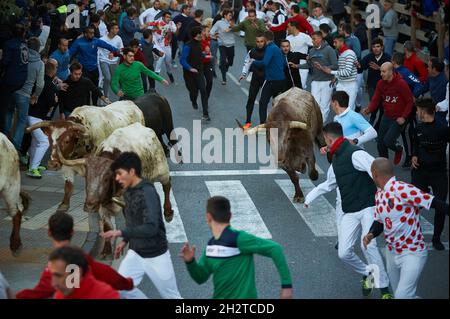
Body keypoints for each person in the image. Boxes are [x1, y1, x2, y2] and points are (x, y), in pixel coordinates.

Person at [305, 122, 392, 299]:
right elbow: (329, 184)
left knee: (369, 245)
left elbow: (375, 170)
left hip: (368, 206)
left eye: (325, 140)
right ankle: (368, 272)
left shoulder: (356, 153)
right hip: (350, 210)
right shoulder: (336, 160)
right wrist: (310, 197)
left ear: (329, 138)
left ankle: (384, 290)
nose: (325, 144)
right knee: (344, 252)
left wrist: (386, 195)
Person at [101, 152, 182, 299]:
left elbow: (152, 227)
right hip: (136, 253)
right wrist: (125, 241)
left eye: (120, 173)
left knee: (172, 296)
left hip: (156, 254)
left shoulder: (148, 192)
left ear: (132, 172)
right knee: (120, 287)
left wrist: (121, 234)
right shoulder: (128, 192)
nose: (117, 178)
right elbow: (134, 222)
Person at [364, 158, 449, 298]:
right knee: (404, 296)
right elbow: (380, 221)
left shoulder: (403, 189)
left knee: (402, 296)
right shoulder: (379, 194)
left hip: (412, 253)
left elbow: (435, 203)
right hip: (392, 253)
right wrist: (371, 234)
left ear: (374, 173)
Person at [179, 196, 293, 299]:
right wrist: (191, 262)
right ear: (230, 216)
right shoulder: (211, 246)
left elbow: (275, 249)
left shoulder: (236, 240)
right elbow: (201, 278)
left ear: (208, 217)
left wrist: (287, 286)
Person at [307, 91, 377, 251]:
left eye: (331, 102)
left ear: (335, 103)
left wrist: (356, 141)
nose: (330, 105)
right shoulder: (337, 119)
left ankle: (362, 236)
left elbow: (373, 132)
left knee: (351, 199)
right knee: (340, 197)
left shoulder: (353, 116)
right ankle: (344, 238)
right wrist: (327, 147)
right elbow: (338, 140)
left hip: (356, 161)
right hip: (341, 159)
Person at [16, 212, 133, 298]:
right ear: (72, 232)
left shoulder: (59, 262)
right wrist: (127, 283)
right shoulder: (80, 256)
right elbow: (105, 272)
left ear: (49, 233)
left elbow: (43, 290)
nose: (54, 281)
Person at [411, 98, 449, 251]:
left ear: (423, 111)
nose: (416, 113)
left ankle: (436, 238)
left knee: (440, 206)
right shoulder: (417, 128)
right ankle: (412, 236)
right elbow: (415, 143)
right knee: (413, 205)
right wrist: (413, 155)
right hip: (420, 171)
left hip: (438, 172)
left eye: (417, 110)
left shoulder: (443, 128)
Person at [363, 62, 414, 165]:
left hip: (399, 117)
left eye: (384, 71)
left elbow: (410, 102)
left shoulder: (401, 84)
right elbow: (376, 99)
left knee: (388, 141)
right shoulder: (381, 83)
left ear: (391, 71)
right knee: (380, 143)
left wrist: (404, 117)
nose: (381, 74)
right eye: (381, 71)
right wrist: (369, 109)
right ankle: (384, 165)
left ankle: (398, 149)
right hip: (387, 115)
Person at [4, 37, 44, 153]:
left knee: (9, 112)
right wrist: (35, 95)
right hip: (25, 94)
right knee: (22, 121)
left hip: (12, 90)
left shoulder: (21, 57)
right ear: (38, 49)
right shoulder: (40, 64)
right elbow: (40, 84)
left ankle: (4, 140)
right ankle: (14, 148)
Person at [293, 31, 337, 123]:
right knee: (314, 104)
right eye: (312, 39)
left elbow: (335, 66)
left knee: (324, 105)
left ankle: (321, 125)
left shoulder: (329, 50)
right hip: (315, 81)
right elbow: (309, 65)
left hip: (327, 81)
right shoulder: (312, 50)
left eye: (314, 39)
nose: (312, 41)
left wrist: (323, 68)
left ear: (320, 39)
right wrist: (297, 66)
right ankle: (316, 125)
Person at [69, 26, 119, 105]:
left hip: (94, 69)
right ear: (85, 34)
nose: (93, 35)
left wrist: (117, 51)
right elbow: (69, 53)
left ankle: (95, 106)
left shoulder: (96, 41)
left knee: (95, 89)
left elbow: (108, 46)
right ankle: (87, 106)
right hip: (84, 70)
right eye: (90, 33)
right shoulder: (78, 42)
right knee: (85, 91)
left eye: (93, 33)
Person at [25, 61, 58, 179]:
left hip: (30, 114)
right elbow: (51, 102)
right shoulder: (50, 85)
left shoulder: (39, 81)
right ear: (53, 71)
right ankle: (33, 168)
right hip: (36, 117)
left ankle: (33, 166)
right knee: (44, 141)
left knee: (35, 141)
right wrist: (55, 99)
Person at [391, 52, 425, 168]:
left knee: (407, 132)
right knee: (407, 131)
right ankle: (411, 155)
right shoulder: (396, 72)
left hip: (408, 107)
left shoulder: (404, 73)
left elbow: (419, 84)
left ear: (394, 62)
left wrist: (413, 95)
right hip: (403, 107)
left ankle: (411, 157)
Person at [48, 246, 120, 299]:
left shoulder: (107, 295)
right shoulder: (60, 295)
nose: (53, 283)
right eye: (51, 275)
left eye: (58, 276)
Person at [314, 34, 358, 111]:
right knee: (339, 109)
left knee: (348, 110)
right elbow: (342, 69)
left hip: (350, 86)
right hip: (341, 84)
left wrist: (331, 72)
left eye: (335, 42)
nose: (334, 45)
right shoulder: (341, 53)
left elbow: (347, 72)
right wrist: (336, 78)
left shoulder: (349, 53)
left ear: (341, 42)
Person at [251, 30, 286, 124]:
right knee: (277, 104)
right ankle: (278, 124)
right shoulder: (277, 48)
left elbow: (265, 63)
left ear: (265, 39)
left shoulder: (270, 48)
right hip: (281, 81)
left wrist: (253, 61)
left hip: (271, 80)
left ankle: (263, 124)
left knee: (263, 103)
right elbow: (283, 63)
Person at [357, 38, 391, 131]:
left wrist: (380, 68)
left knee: (383, 107)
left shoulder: (387, 57)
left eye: (378, 46)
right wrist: (358, 64)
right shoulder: (369, 57)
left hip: (385, 87)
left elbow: (391, 72)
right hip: (372, 85)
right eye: (374, 47)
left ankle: (379, 125)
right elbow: (362, 66)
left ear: (382, 47)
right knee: (374, 103)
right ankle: (371, 120)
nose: (376, 49)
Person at [0, 23, 28, 133]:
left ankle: (2, 131)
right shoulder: (24, 44)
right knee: (8, 105)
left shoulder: (9, 44)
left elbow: (5, 62)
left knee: (2, 107)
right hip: (21, 80)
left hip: (10, 80)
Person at [180, 26, 211, 121]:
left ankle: (205, 113)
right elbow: (182, 60)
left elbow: (198, 54)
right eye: (201, 33)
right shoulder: (187, 46)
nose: (202, 34)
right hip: (189, 73)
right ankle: (193, 100)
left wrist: (205, 55)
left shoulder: (199, 44)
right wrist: (190, 68)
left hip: (199, 71)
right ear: (196, 35)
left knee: (203, 90)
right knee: (193, 91)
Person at [239, 32, 266, 128]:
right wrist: (243, 74)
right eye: (258, 41)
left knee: (263, 102)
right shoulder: (252, 51)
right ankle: (248, 121)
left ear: (265, 41)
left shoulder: (268, 51)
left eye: (262, 41)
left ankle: (263, 123)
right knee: (251, 99)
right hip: (255, 78)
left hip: (266, 79)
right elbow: (247, 62)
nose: (259, 43)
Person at [148, 11, 177, 83]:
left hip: (166, 45)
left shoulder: (171, 23)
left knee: (168, 63)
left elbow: (175, 30)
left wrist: (170, 29)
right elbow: (149, 26)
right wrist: (153, 29)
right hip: (158, 44)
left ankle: (169, 73)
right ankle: (156, 73)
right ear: (163, 17)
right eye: (167, 17)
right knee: (162, 55)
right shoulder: (158, 22)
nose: (168, 19)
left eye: (169, 17)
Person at [98, 22, 124, 100]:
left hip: (114, 61)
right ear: (111, 30)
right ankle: (105, 97)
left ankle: (123, 95)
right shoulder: (102, 39)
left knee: (116, 79)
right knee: (108, 78)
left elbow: (121, 50)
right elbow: (98, 51)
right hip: (103, 60)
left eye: (117, 28)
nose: (117, 30)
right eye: (116, 28)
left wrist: (114, 53)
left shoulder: (118, 38)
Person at [210, 8, 235, 85]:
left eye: (232, 15)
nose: (231, 17)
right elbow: (211, 31)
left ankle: (224, 67)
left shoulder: (232, 23)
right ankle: (224, 78)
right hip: (222, 45)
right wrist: (216, 35)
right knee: (223, 60)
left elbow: (237, 30)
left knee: (230, 62)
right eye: (230, 15)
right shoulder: (219, 23)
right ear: (225, 15)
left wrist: (232, 26)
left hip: (231, 45)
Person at [285, 20, 312, 89]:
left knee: (301, 86)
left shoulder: (305, 36)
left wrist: (310, 56)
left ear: (293, 27)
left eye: (288, 27)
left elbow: (314, 46)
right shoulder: (288, 38)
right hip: (291, 66)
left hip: (302, 66)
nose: (287, 29)